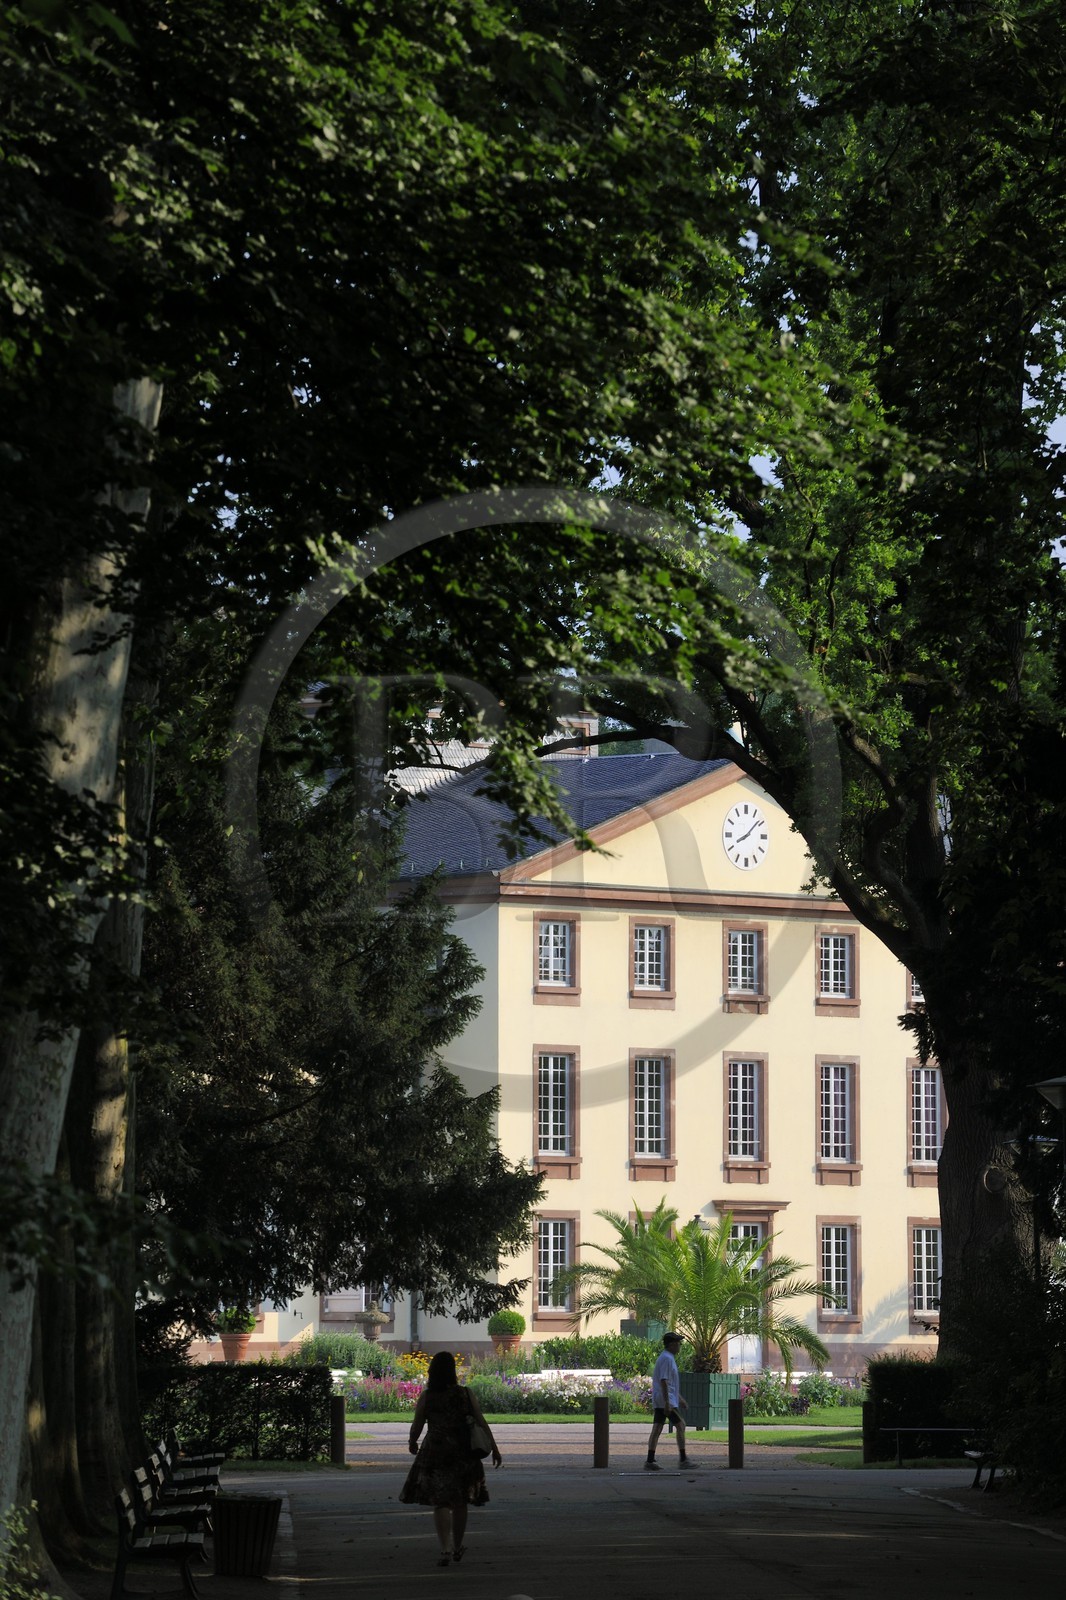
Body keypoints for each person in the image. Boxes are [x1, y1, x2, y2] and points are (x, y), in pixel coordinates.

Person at [400, 1351, 503, 1565]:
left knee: (441, 1501)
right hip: (463, 1452)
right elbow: (481, 1421)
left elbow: (418, 1423)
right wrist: (494, 1447)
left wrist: (412, 1442)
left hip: (436, 1452)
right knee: (460, 1501)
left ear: (433, 1371)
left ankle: (445, 1548)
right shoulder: (465, 1394)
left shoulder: (428, 1396)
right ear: (452, 1372)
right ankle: (457, 1546)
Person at [644, 1331, 698, 1470]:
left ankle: (650, 1460)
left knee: (657, 1428)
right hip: (666, 1401)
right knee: (681, 1426)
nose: (680, 1345)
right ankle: (683, 1459)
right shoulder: (667, 1359)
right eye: (678, 1343)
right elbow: (664, 1381)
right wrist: (668, 1402)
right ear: (672, 1344)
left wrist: (680, 1399)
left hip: (663, 1399)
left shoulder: (666, 1358)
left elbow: (670, 1383)